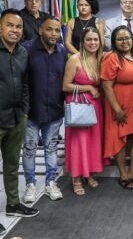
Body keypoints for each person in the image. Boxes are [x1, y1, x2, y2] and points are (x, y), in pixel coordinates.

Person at [22, 16, 67, 203]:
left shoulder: (62, 52)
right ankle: (30, 184)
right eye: (50, 29)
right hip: (31, 112)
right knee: (30, 149)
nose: (54, 34)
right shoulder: (25, 49)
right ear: (41, 30)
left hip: (54, 111)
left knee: (51, 148)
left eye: (57, 31)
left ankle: (50, 183)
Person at [0, 9, 39, 221]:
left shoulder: (23, 52)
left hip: (16, 118)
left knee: (12, 164)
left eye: (18, 26)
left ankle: (13, 204)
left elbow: (25, 84)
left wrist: (24, 111)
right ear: (0, 27)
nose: (14, 30)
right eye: (9, 25)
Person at [101, 26, 133, 190]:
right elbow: (107, 86)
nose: (125, 41)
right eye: (120, 39)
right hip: (119, 103)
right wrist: (117, 109)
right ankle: (123, 175)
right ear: (114, 42)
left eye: (127, 38)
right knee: (119, 140)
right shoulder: (111, 57)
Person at [63, 27, 104, 195]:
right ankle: (76, 178)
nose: (92, 42)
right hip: (79, 106)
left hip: (96, 106)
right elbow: (65, 86)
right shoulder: (74, 59)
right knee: (79, 142)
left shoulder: (102, 58)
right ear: (82, 42)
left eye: (95, 39)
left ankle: (89, 173)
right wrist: (87, 87)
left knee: (92, 142)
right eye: (89, 39)